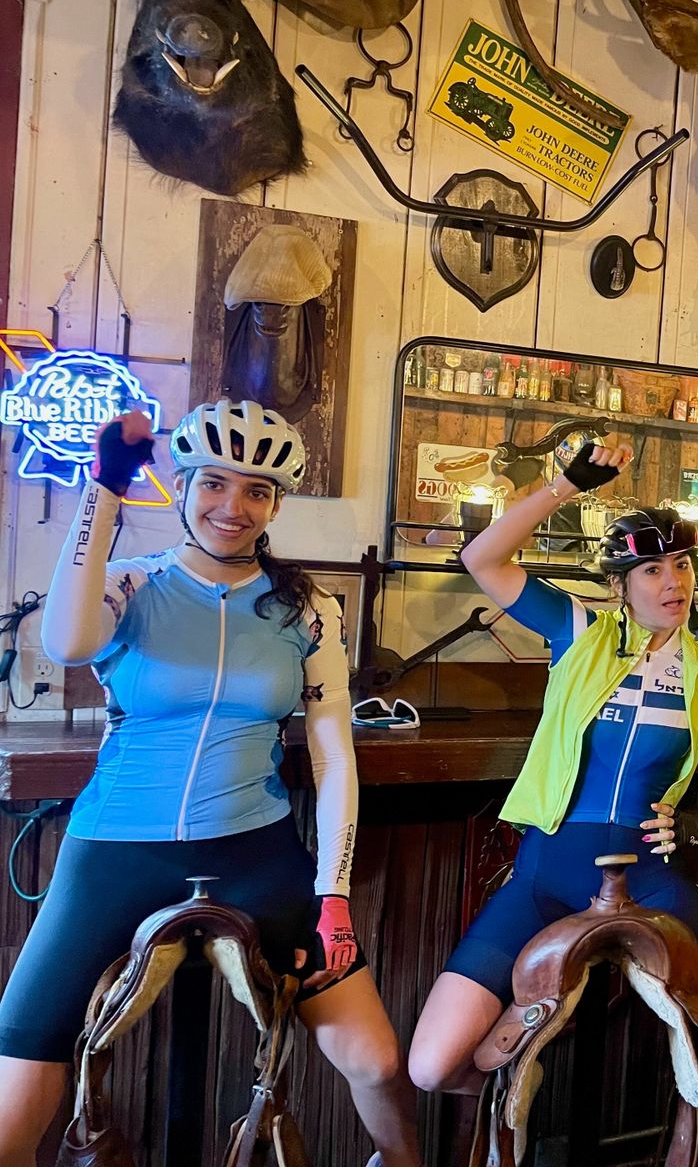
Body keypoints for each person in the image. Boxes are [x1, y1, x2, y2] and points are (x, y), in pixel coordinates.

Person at [0, 401, 421, 1167]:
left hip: (254, 850)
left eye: (257, 490)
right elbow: (67, 642)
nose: (234, 506)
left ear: (276, 504)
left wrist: (333, 895)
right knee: (11, 1113)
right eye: (215, 483)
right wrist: (106, 486)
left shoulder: (307, 608)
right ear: (186, 486)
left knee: (377, 1061)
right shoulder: (133, 585)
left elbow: (333, 755)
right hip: (115, 851)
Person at [408, 441, 698, 1167]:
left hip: (649, 876)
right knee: (432, 1065)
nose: (673, 582)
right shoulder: (579, 628)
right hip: (547, 873)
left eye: (682, 565)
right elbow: (482, 558)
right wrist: (564, 485)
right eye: (652, 569)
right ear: (620, 584)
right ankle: (517, 1094)